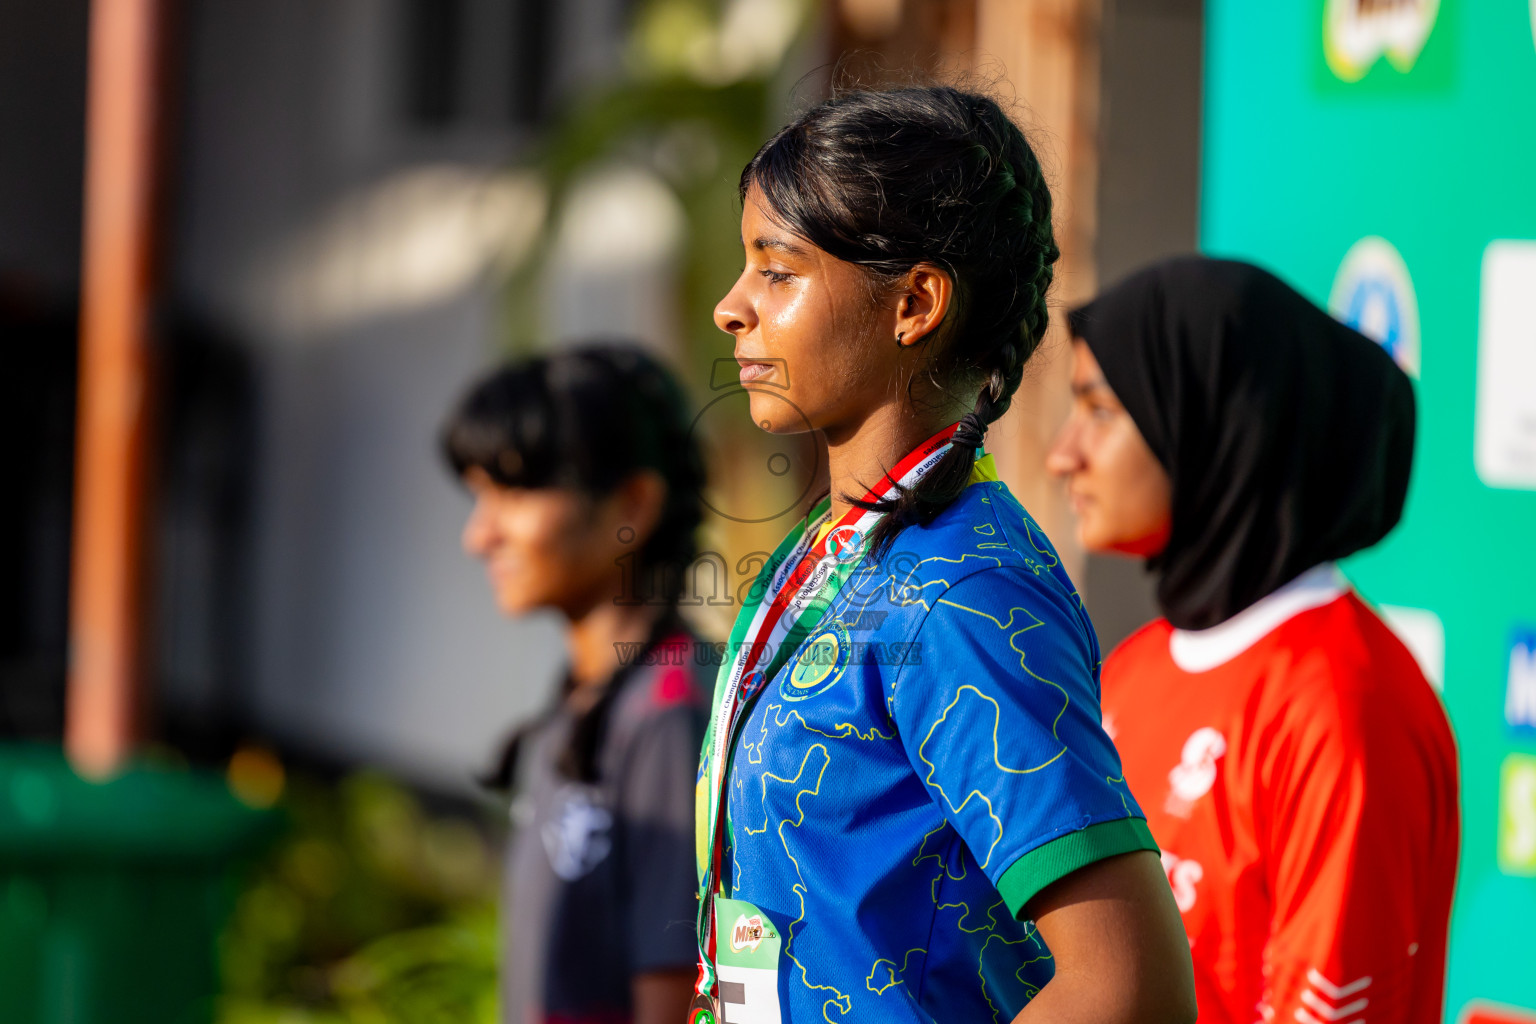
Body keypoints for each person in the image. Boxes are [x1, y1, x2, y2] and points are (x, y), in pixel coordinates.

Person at [692, 86, 1197, 1024]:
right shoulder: (828, 554)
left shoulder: (965, 591)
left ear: (915, 303)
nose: (732, 308)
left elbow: (1129, 984)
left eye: (778, 271)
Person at [1046, 256, 1460, 1024]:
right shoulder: (1133, 668)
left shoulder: (1344, 706)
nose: (1061, 454)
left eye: (1100, 410)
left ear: (1212, 416)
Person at [442, 344, 713, 1024]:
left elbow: (674, 1002)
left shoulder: (667, 716)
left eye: (512, 493)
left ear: (632, 505)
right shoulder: (589, 699)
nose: (479, 535)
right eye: (479, 495)